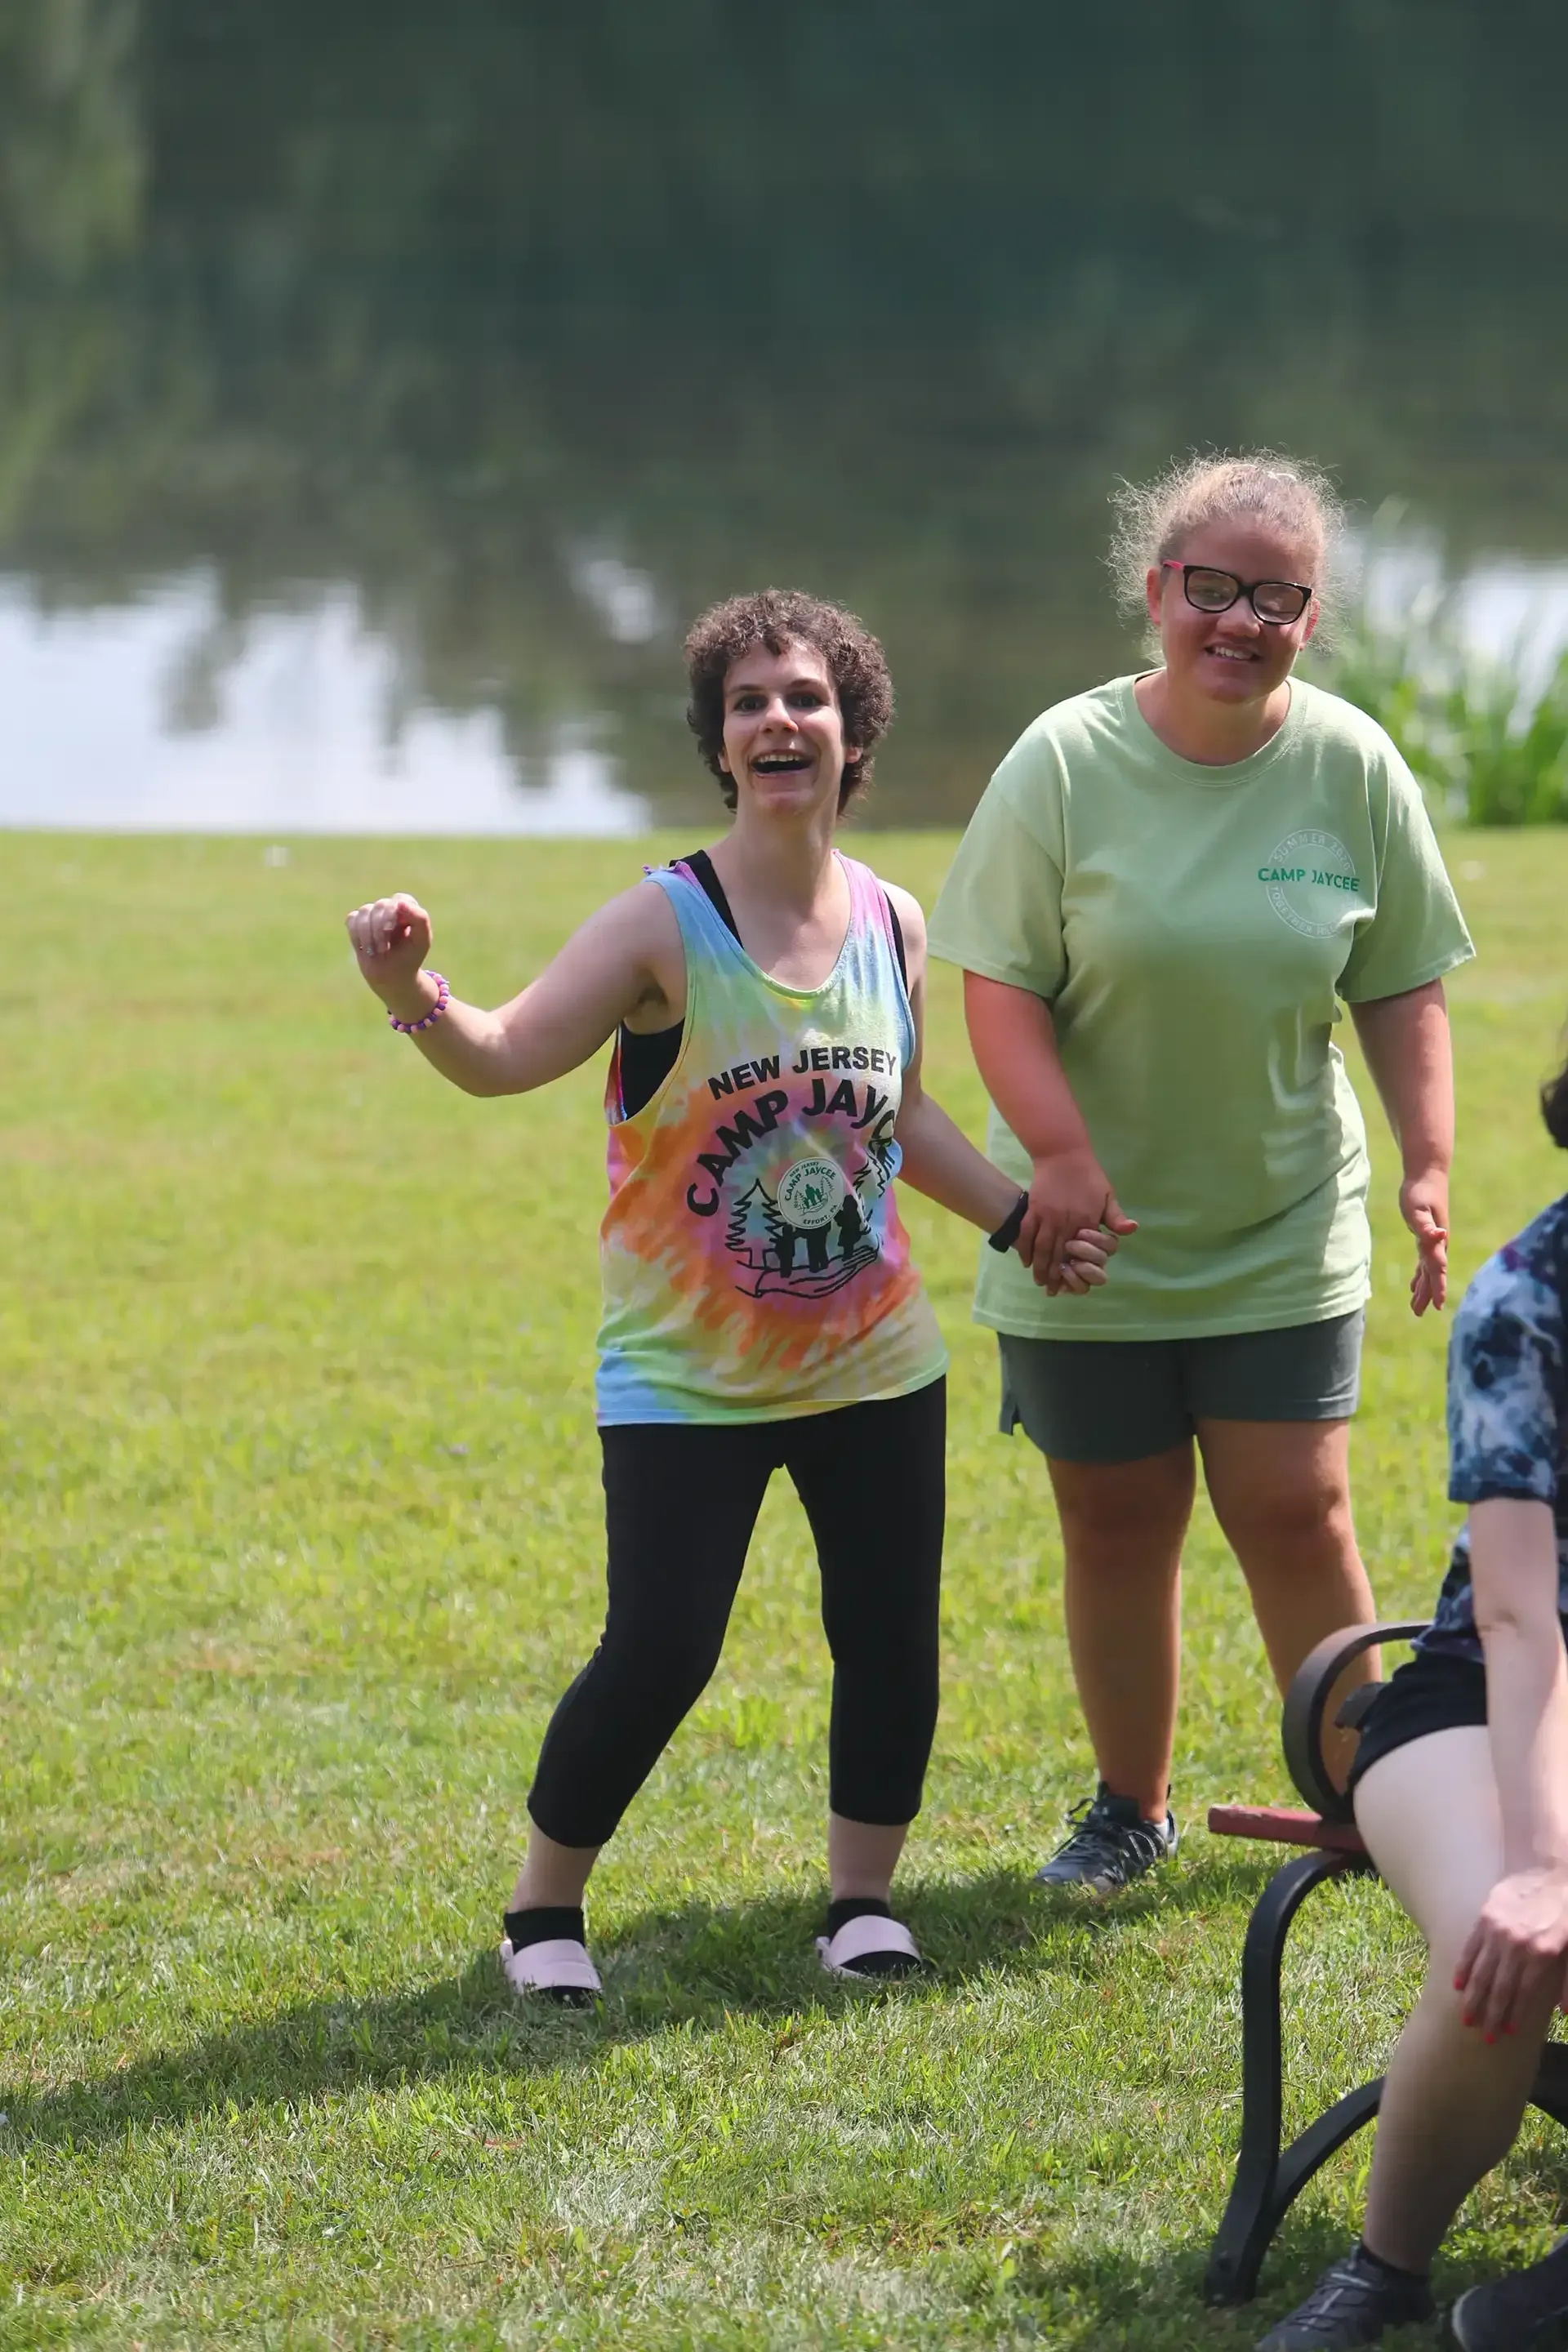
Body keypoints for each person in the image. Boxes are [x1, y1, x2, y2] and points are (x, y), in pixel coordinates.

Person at [345, 588, 1113, 1999]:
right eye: (751, 701)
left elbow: (905, 1117)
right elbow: (511, 1052)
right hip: (686, 1374)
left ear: (852, 732)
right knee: (662, 1648)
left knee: (887, 1633)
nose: (780, 720)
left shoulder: (894, 918)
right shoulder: (662, 923)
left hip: (875, 1362)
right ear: (719, 740)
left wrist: (1015, 1216)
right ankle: (543, 1916)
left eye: (807, 698)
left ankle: (861, 1903)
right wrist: (415, 996)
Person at [927, 452, 1475, 1893]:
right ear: (1158, 591)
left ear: (1310, 617)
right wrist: (1056, 1155)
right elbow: (998, 984)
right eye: (1212, 589)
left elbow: (1404, 985)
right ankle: (1132, 1805)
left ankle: (1378, 1799)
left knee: (1300, 1509)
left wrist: (1427, 1164)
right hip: (1083, 1229)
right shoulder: (1062, 759)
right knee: (1115, 1520)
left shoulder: (1351, 764)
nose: (1241, 621)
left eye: (1277, 599)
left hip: (1282, 1216)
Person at [1258, 1043, 1568, 2352]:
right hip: (1482, 1691)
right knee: (1499, 1944)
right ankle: (1384, 2268)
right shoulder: (1524, 1300)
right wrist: (1546, 1859)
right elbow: (1513, 1612)